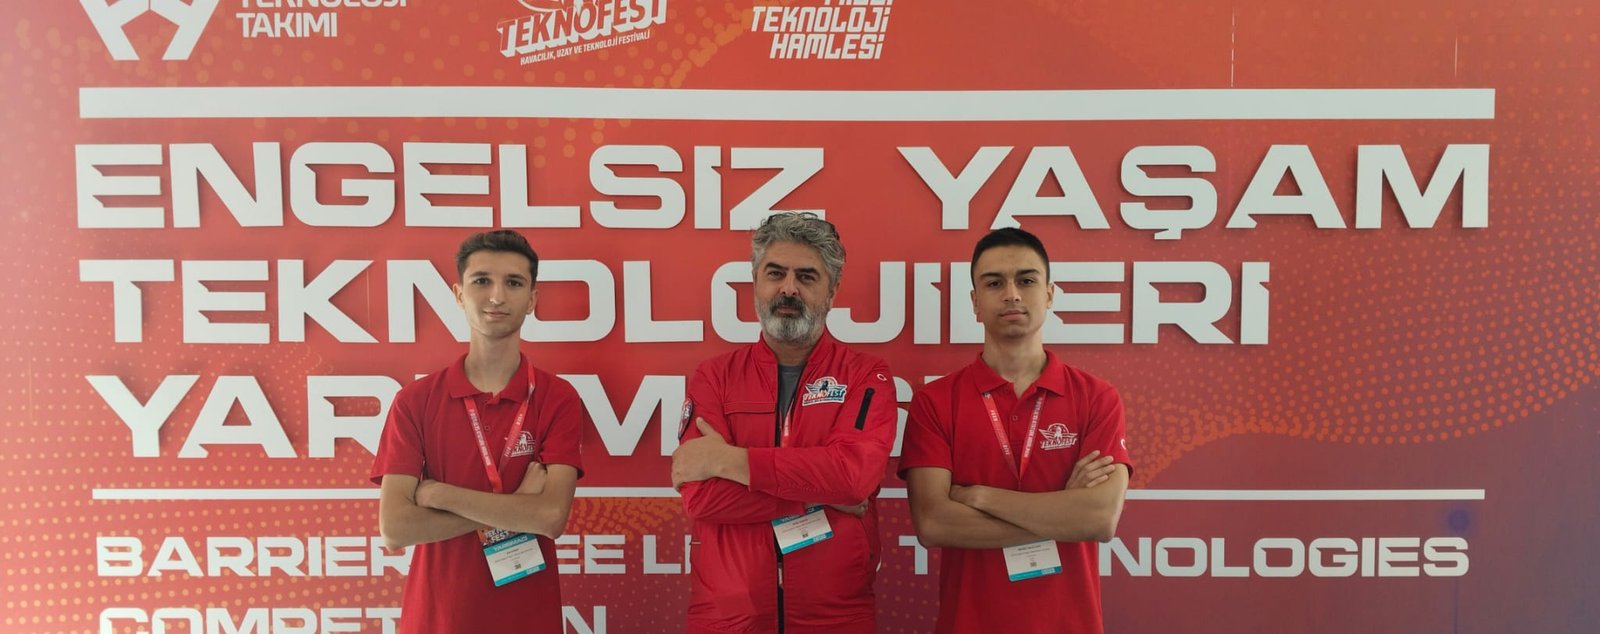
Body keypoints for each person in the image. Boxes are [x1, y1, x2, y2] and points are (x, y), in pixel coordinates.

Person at [671, 212, 898, 634]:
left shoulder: (866, 375)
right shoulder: (714, 377)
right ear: (756, 282)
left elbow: (854, 478)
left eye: (807, 276)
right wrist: (819, 497)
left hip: (836, 616)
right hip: (727, 617)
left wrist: (730, 461)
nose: (789, 288)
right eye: (775, 273)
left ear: (832, 290)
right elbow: (702, 497)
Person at [900, 227, 1132, 634]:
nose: (1011, 294)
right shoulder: (935, 401)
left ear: (1049, 295)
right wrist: (1063, 512)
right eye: (994, 283)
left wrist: (980, 497)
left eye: (1026, 281)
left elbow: (1099, 518)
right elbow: (934, 524)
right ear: (975, 301)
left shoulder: (1097, 397)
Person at [370, 229, 587, 633]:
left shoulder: (558, 398)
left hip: (528, 622)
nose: (497, 296)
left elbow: (550, 517)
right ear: (459, 294)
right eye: (482, 281)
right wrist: (517, 505)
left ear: (532, 299)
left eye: (514, 283)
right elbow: (396, 529)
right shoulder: (415, 400)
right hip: (437, 621)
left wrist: (441, 495)